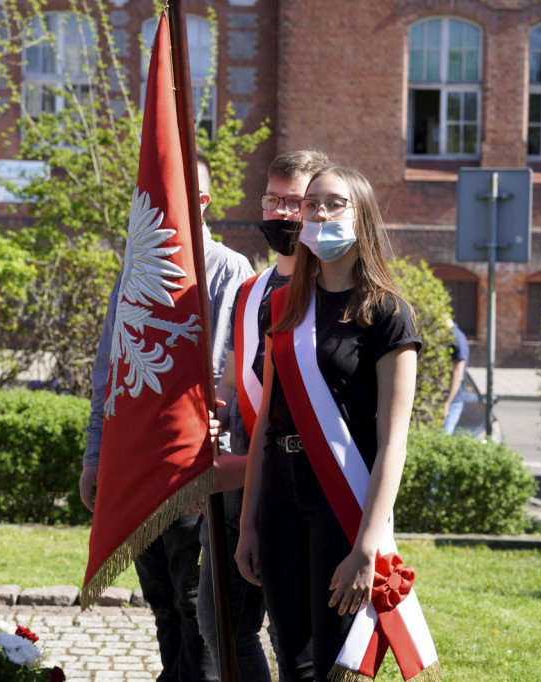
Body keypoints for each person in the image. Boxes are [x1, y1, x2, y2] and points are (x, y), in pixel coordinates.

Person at [235, 165, 422, 680]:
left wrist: (367, 545)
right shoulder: (282, 307)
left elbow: (394, 442)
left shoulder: (388, 314)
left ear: (361, 216)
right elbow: (265, 430)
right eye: (311, 202)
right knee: (291, 660)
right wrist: (249, 523)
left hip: (342, 503)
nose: (316, 213)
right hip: (278, 497)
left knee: (335, 663)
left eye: (333, 203)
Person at [80, 150, 253, 682]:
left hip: (193, 469)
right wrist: (95, 458)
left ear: (203, 201)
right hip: (136, 467)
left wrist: (216, 468)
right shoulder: (137, 267)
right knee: (160, 601)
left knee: (195, 605)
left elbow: (233, 374)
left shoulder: (229, 270)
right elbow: (110, 368)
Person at [202, 149, 329, 680]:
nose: (280, 214)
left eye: (293, 202)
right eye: (272, 200)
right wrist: (213, 417)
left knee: (290, 636)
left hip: (296, 484)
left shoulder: (331, 291)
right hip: (237, 480)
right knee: (220, 625)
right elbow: (232, 381)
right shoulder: (249, 290)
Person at [443, 317, 469, 434]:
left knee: (442, 439)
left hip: (452, 401)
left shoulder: (456, 338)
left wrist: (447, 403)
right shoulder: (449, 336)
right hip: (448, 400)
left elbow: (458, 374)